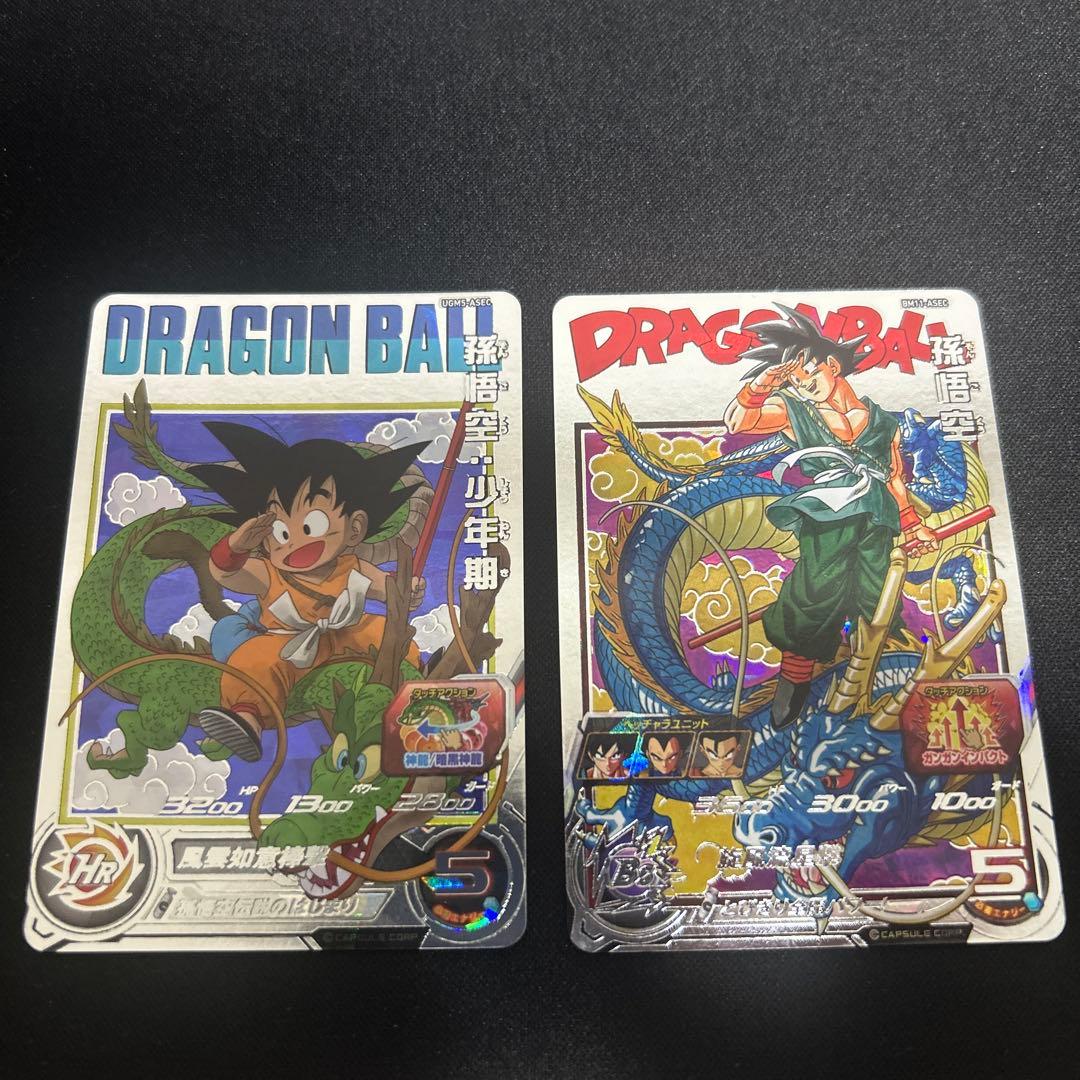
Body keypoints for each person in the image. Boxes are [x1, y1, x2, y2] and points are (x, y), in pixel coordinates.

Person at [724, 304, 937, 729]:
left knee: (878, 594)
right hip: (829, 516)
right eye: (795, 383)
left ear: (833, 366)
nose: (803, 387)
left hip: (877, 518)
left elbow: (894, 478)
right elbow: (738, 421)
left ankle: (877, 675)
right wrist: (766, 383)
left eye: (808, 376)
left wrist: (913, 526)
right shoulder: (795, 411)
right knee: (814, 591)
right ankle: (794, 680)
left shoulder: (883, 422)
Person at [191, 422, 427, 761]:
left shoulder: (353, 567)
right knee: (253, 660)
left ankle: (417, 688)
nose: (295, 542)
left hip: (348, 634)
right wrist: (236, 546)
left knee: (390, 635)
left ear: (355, 528)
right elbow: (225, 572)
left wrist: (408, 591)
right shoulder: (268, 572)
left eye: (311, 525)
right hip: (286, 643)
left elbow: (388, 589)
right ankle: (246, 720)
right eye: (280, 531)